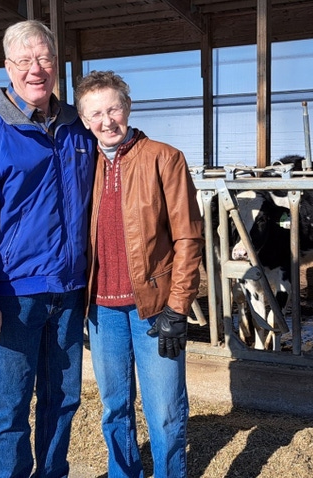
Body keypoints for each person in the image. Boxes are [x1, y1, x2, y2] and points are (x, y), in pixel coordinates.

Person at [0, 20, 97, 478]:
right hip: (13, 295)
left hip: (69, 291)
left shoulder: (77, 127)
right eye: (25, 60)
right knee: (11, 407)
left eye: (45, 59)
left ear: (58, 65)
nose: (37, 69)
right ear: (8, 67)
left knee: (63, 400)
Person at [73, 70, 203, 478]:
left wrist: (178, 308)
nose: (106, 120)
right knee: (114, 407)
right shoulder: (81, 163)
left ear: (127, 108)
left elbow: (188, 237)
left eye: (113, 108)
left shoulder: (164, 157)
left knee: (165, 410)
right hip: (102, 310)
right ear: (83, 119)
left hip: (155, 309)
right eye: (95, 113)